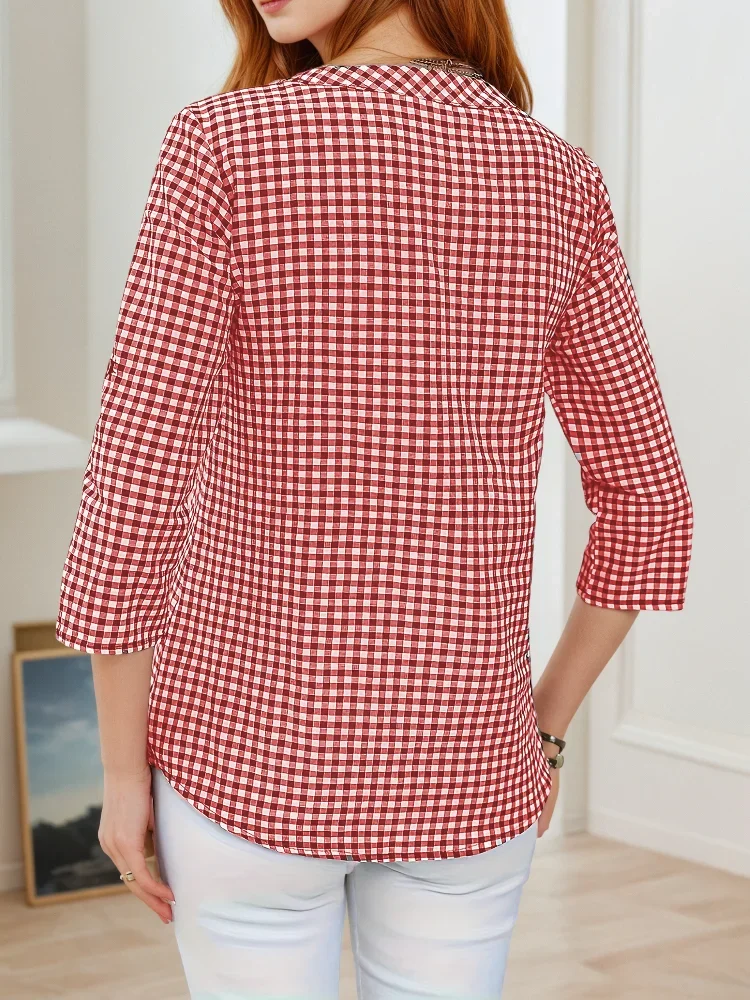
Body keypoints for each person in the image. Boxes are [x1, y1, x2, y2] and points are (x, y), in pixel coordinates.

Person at [55, 0, 694, 996]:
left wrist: (123, 772)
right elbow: (651, 502)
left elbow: (133, 489)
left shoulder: (223, 147)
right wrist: (541, 729)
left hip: (247, 760)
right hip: (465, 770)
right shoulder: (558, 178)